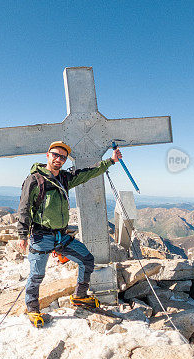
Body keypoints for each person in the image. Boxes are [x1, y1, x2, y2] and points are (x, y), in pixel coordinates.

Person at [16, 140, 122, 326]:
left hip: (61, 236)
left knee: (87, 259)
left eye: (63, 157)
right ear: (47, 155)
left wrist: (111, 161)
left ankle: (80, 296)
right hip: (41, 236)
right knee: (37, 275)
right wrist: (23, 235)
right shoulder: (34, 179)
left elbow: (89, 173)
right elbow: (24, 208)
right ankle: (32, 308)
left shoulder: (65, 178)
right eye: (55, 155)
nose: (59, 159)